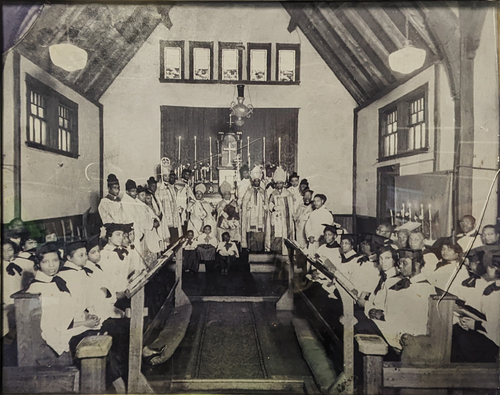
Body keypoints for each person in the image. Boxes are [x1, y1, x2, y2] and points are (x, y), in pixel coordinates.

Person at [376, 249, 435, 351]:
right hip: (393, 328)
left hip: (408, 338)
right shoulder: (399, 283)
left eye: (404, 263)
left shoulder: (425, 289)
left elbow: (415, 322)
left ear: (416, 265)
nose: (400, 266)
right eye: (399, 263)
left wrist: (383, 318)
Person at [363, 246, 401, 319]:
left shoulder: (397, 280)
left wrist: (366, 305)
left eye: (387, 258)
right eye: (381, 258)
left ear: (394, 260)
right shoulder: (380, 276)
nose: (383, 262)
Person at [266, 167, 295, 255]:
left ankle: (287, 251)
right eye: (277, 183)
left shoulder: (288, 194)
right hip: (276, 218)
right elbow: (269, 204)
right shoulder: (273, 193)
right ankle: (276, 251)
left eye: (281, 183)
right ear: (275, 183)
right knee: (276, 234)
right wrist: (273, 207)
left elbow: (291, 206)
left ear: (284, 183)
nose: (279, 185)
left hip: (286, 218)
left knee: (286, 233)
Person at [241, 166, 268, 252]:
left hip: (260, 214)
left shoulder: (263, 192)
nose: (256, 182)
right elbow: (244, 202)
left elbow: (266, 202)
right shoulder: (249, 191)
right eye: (255, 181)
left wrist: (265, 206)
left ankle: (260, 249)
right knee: (252, 230)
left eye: (258, 181)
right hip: (251, 214)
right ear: (252, 181)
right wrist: (247, 205)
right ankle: (251, 248)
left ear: (260, 182)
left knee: (260, 231)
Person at [2, 239, 23, 338]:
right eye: (2, 250)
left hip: (19, 304)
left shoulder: (20, 264)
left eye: (9, 249)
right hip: (5, 306)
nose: (6, 253)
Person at [136, 185, 162, 254]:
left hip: (151, 229)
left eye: (144, 195)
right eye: (142, 195)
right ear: (137, 196)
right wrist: (152, 224)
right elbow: (141, 221)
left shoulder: (144, 205)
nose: (144, 197)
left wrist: (156, 220)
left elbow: (153, 215)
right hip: (146, 230)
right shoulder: (137, 206)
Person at [157, 170, 181, 243]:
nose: (167, 177)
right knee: (167, 236)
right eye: (165, 176)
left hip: (173, 214)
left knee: (175, 236)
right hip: (166, 215)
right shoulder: (159, 188)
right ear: (161, 176)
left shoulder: (171, 187)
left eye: (168, 176)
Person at [481, 254, 500, 345]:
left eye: (490, 267)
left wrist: (477, 325)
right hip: (488, 333)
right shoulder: (489, 287)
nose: (487, 269)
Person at [175, 169, 196, 234]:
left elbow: (190, 195)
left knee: (185, 223)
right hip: (180, 205)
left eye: (188, 175)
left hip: (186, 206)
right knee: (180, 224)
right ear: (182, 174)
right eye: (186, 174)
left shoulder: (187, 183)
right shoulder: (178, 183)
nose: (187, 176)